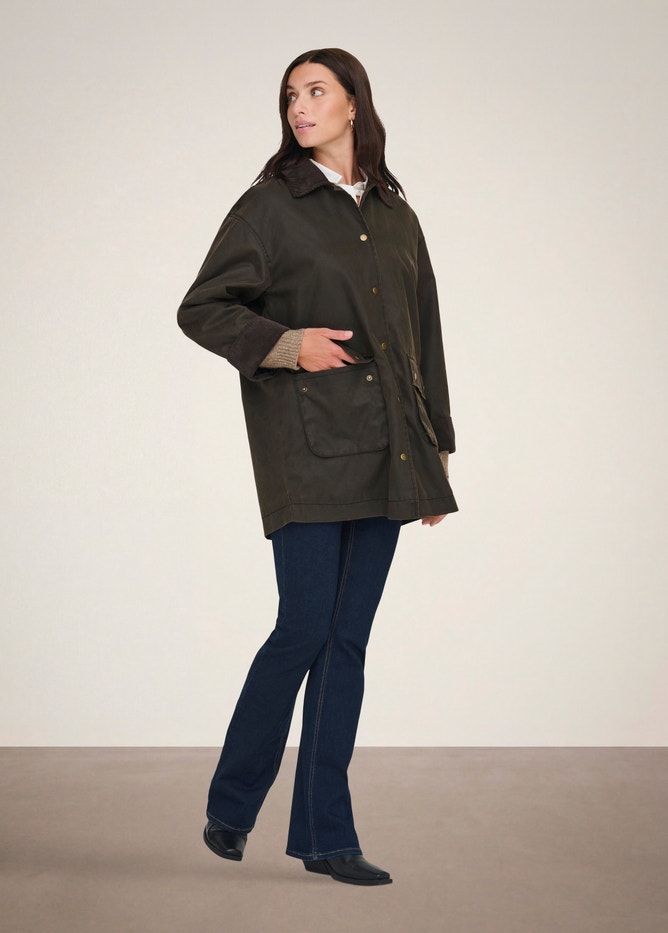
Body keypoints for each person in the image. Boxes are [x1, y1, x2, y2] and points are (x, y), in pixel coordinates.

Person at [177, 48, 457, 887]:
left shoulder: (398, 216)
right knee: (304, 626)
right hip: (306, 449)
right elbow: (202, 307)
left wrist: (435, 448)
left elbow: (424, 336)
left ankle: (326, 836)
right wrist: (287, 344)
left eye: (316, 91)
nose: (299, 107)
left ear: (353, 103)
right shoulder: (269, 206)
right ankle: (233, 803)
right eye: (290, 95)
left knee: (346, 643)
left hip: (389, 453)